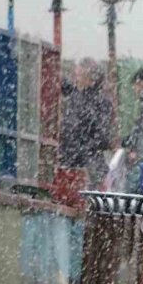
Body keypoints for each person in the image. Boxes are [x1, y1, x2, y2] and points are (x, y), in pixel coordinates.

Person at [56, 58, 111, 203]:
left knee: (84, 205)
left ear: (90, 79)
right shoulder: (77, 95)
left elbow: (103, 138)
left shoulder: (99, 102)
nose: (76, 78)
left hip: (87, 166)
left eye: (79, 75)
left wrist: (81, 150)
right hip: (71, 161)